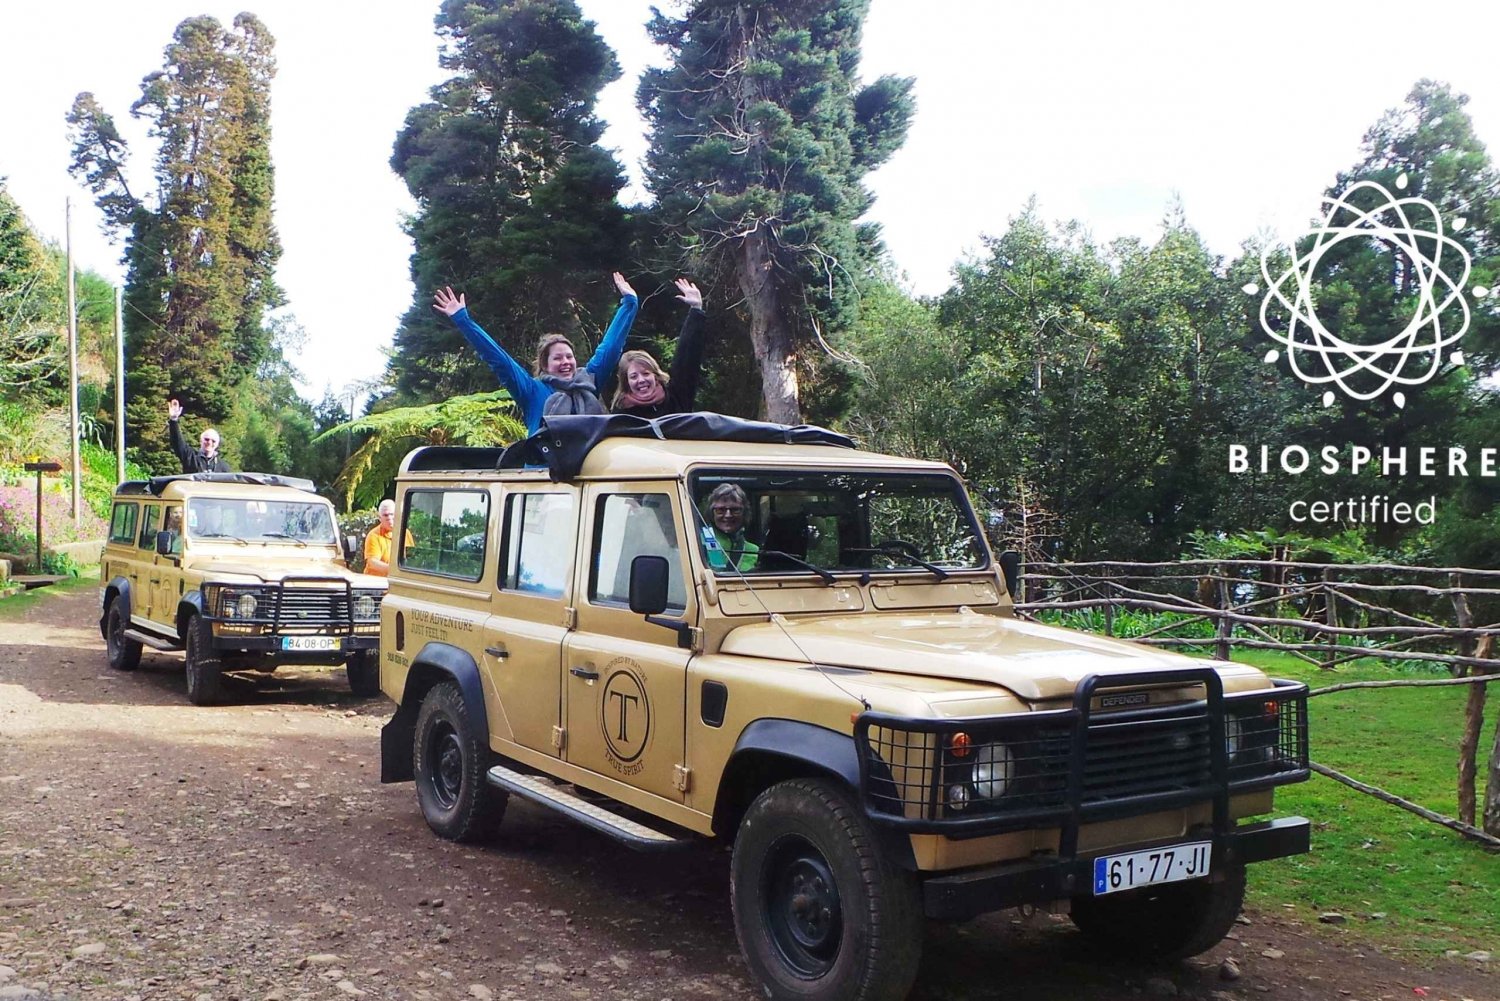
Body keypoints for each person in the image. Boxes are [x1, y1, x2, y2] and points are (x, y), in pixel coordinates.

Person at [433, 273, 639, 434]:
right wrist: (463, 320)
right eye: (557, 358)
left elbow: (610, 348)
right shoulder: (531, 390)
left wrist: (630, 303)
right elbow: (498, 360)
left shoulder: (588, 381)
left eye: (569, 356)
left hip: (587, 475)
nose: (566, 362)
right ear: (545, 365)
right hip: (542, 479)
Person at [611, 279, 706, 418]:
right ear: (626, 383)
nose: (641, 380)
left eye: (645, 373)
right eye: (633, 376)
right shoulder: (621, 415)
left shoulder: (675, 397)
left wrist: (696, 310)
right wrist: (629, 303)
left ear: (655, 376)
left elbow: (686, 360)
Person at [701, 483, 758, 572]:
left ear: (744, 513)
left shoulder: (753, 550)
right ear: (712, 513)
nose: (728, 515)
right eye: (720, 510)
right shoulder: (699, 542)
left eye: (735, 510)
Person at [167, 399, 231, 473]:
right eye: (206, 439)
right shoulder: (190, 457)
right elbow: (177, 442)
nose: (209, 442)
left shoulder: (223, 467)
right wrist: (174, 420)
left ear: (217, 444)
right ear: (201, 440)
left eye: (213, 441)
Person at [363, 499, 412, 577]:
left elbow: (411, 557)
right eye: (385, 515)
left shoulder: (406, 533)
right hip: (377, 583)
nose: (389, 518)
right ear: (379, 518)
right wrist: (395, 570)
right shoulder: (374, 535)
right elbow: (372, 562)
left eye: (392, 514)